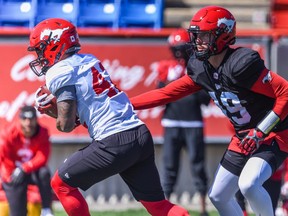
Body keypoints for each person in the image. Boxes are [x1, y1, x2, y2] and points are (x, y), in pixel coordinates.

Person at [129, 5, 288, 216]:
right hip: (244, 137)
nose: (197, 41)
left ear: (223, 35)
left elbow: (285, 93)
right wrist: (125, 104)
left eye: (204, 36)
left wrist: (260, 131)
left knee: (249, 184)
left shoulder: (241, 64)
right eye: (196, 36)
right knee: (219, 196)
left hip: (274, 133)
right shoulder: (200, 68)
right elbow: (166, 93)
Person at [29, 18, 190, 216]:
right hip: (139, 133)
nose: (40, 55)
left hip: (114, 140)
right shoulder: (89, 60)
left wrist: (49, 110)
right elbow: (83, 114)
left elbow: (66, 124)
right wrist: (57, 109)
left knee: (61, 184)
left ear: (54, 44)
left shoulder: (59, 71)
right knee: (159, 206)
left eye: (41, 48)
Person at [157, 28, 210, 216]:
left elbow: (205, 99)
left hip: (193, 123)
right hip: (172, 123)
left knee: (198, 166)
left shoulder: (198, 67)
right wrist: (169, 83)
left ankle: (204, 208)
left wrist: (190, 84)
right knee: (169, 167)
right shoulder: (165, 68)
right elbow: (160, 97)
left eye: (181, 48)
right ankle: (164, 208)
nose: (179, 53)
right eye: (175, 49)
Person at [0, 106, 54, 216]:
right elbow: (3, 156)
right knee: (17, 213)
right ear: (19, 120)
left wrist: (25, 168)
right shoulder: (9, 132)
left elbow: (42, 157)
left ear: (36, 119)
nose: (28, 123)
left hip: (32, 171)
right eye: (24, 119)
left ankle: (46, 209)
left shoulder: (42, 132)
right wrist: (9, 175)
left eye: (31, 119)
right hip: (12, 172)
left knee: (44, 173)